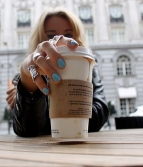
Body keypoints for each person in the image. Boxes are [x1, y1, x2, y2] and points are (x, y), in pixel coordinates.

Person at [6, 7, 109, 137]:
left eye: (68, 35)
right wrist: (27, 90)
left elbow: (100, 116)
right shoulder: (26, 77)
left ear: (77, 39)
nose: (60, 41)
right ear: (39, 41)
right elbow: (27, 130)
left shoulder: (90, 69)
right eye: (50, 36)